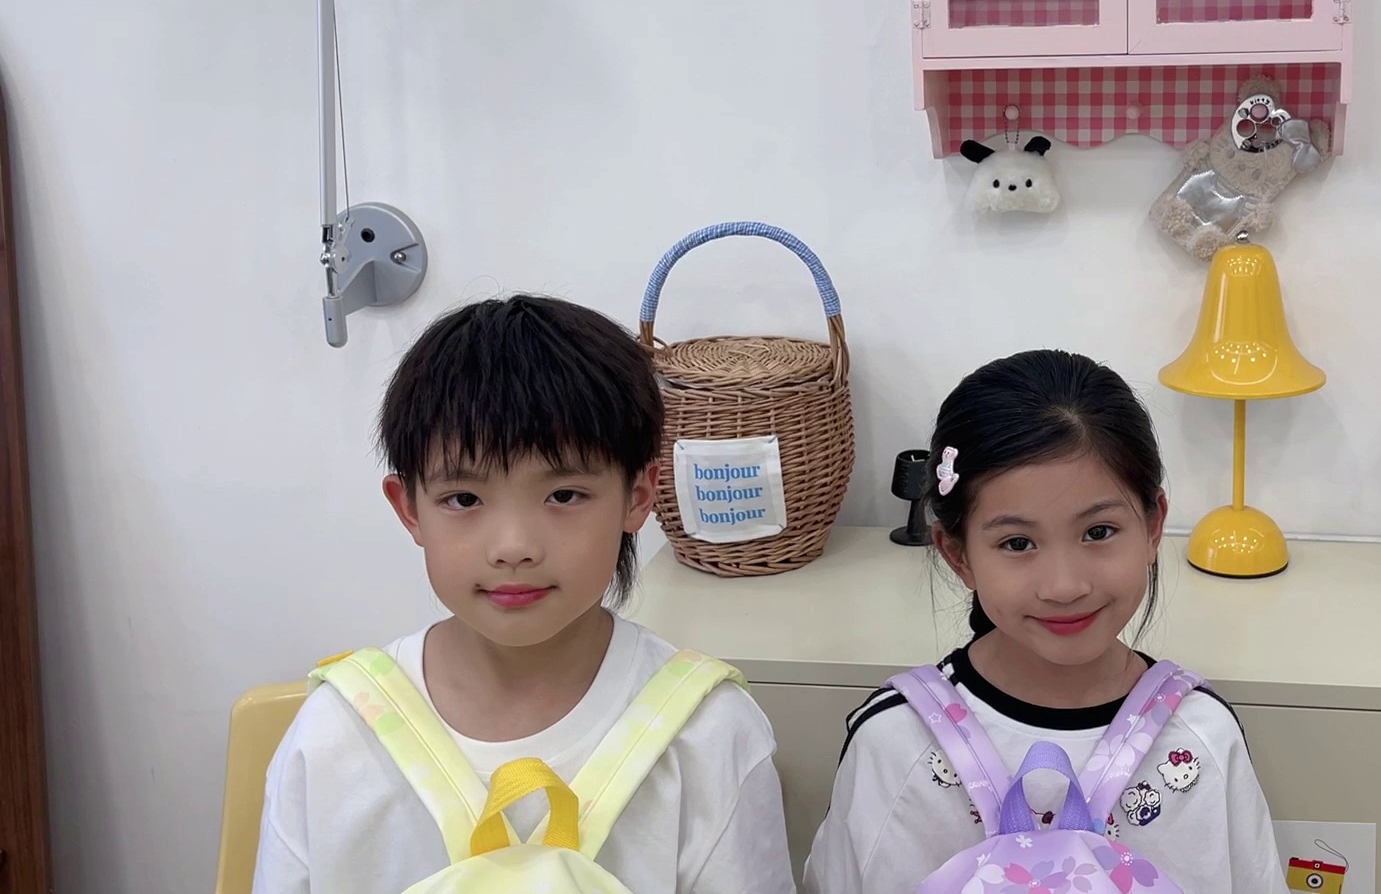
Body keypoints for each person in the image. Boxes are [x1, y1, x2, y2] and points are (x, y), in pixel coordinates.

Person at [254, 295, 794, 892]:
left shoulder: (709, 735)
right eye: (464, 499)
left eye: (563, 495)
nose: (513, 547)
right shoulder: (331, 736)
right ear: (409, 509)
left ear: (638, 497)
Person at [802, 349, 1282, 892]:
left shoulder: (1202, 739)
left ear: (1152, 528)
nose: (1064, 585)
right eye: (1017, 543)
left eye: (1098, 532)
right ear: (958, 554)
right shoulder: (896, 743)